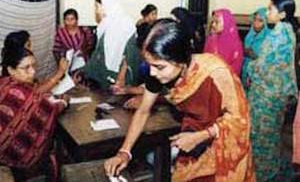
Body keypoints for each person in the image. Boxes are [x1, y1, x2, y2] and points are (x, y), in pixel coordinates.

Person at [104, 19, 255, 182]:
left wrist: (202, 136)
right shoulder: (158, 75)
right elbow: (143, 110)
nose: (153, 73)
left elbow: (240, 118)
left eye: (159, 67)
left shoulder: (216, 71)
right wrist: (124, 152)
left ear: (181, 60)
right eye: (150, 66)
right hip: (190, 139)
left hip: (222, 143)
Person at [0, 35, 69, 181]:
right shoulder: (23, 94)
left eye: (33, 66)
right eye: (26, 68)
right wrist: (64, 102)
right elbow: (51, 111)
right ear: (11, 70)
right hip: (12, 159)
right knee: (54, 149)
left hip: (3, 154)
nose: (33, 72)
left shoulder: (5, 83)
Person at [247, 0, 298, 182]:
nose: (267, 12)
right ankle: (272, 169)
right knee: (272, 134)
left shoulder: (277, 35)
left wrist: (250, 67)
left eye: (270, 10)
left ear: (282, 14)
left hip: (268, 95)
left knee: (262, 136)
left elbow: (261, 66)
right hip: (277, 93)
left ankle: (262, 174)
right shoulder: (288, 30)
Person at [85, 0, 142, 90]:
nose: (96, 11)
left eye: (97, 7)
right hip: (106, 74)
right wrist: (84, 71)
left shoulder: (126, 25)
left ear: (106, 6)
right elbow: (98, 52)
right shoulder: (104, 25)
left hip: (121, 77)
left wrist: (121, 78)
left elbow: (130, 53)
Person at [204, 9, 244, 75]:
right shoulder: (211, 40)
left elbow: (236, 68)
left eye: (216, 22)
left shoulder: (236, 44)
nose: (213, 25)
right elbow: (205, 60)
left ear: (226, 23)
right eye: (213, 22)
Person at [241, 8, 269, 90]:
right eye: (255, 19)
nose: (256, 23)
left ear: (266, 22)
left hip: (259, 76)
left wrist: (254, 56)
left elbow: (269, 60)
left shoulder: (268, 38)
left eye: (260, 20)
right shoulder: (250, 34)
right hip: (245, 71)